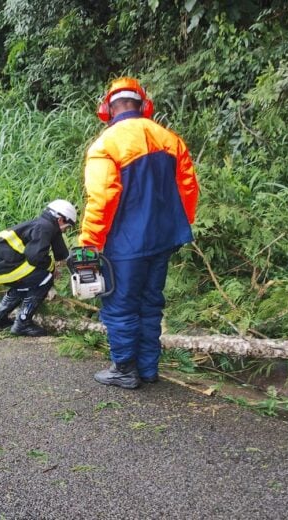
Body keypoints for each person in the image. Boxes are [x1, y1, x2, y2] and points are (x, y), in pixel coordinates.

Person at [79, 77, 199, 389]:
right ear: (144, 104)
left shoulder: (106, 145)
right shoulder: (170, 139)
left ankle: (124, 370)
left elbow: (102, 198)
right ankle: (147, 369)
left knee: (120, 307)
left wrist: (89, 244)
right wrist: (176, 231)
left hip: (124, 244)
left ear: (107, 108)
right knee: (150, 304)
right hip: (162, 240)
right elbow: (188, 191)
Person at [0, 200, 77, 337]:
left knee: (26, 282)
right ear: (60, 219)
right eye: (67, 226)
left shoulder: (44, 224)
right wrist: (52, 269)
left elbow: (61, 253)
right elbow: (34, 257)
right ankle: (22, 324)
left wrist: (71, 263)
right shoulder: (45, 227)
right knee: (45, 278)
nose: (66, 229)